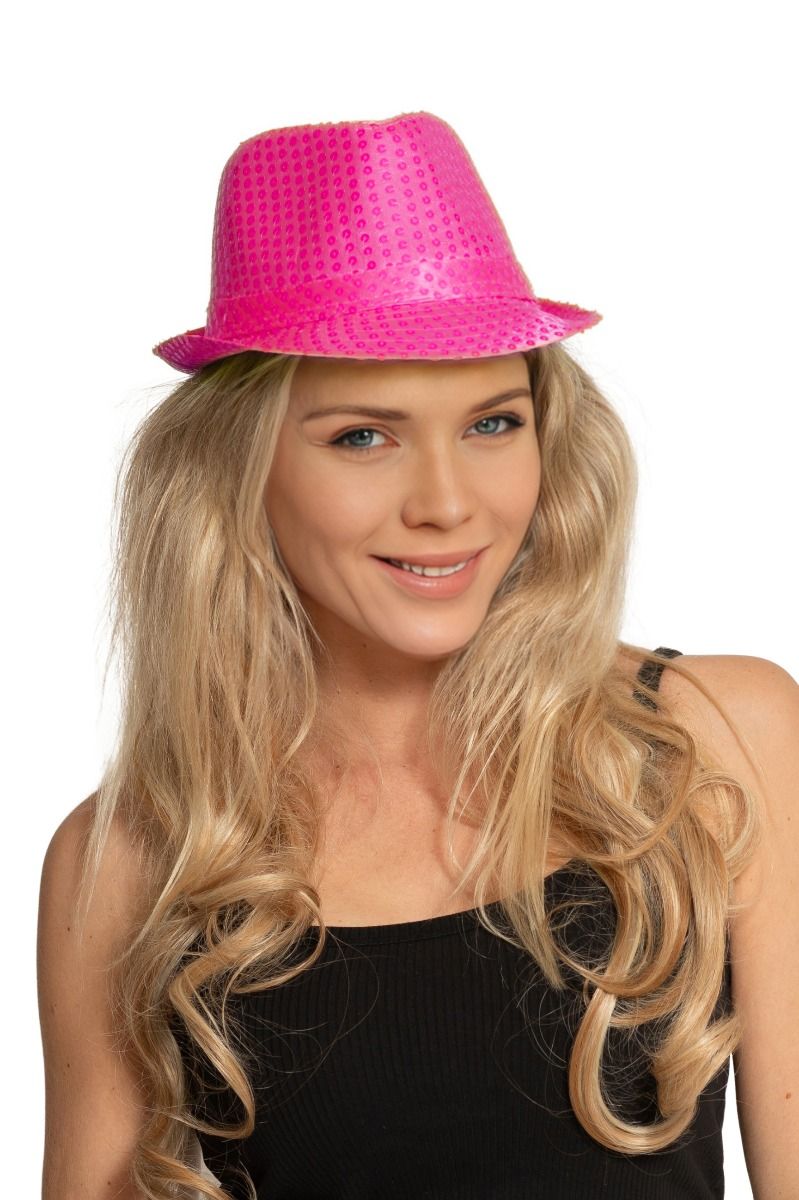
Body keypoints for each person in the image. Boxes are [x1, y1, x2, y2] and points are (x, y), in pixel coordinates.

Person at [37, 111, 798, 1200]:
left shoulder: (711, 740)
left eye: (493, 424)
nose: (447, 503)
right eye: (364, 436)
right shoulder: (135, 856)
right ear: (239, 472)